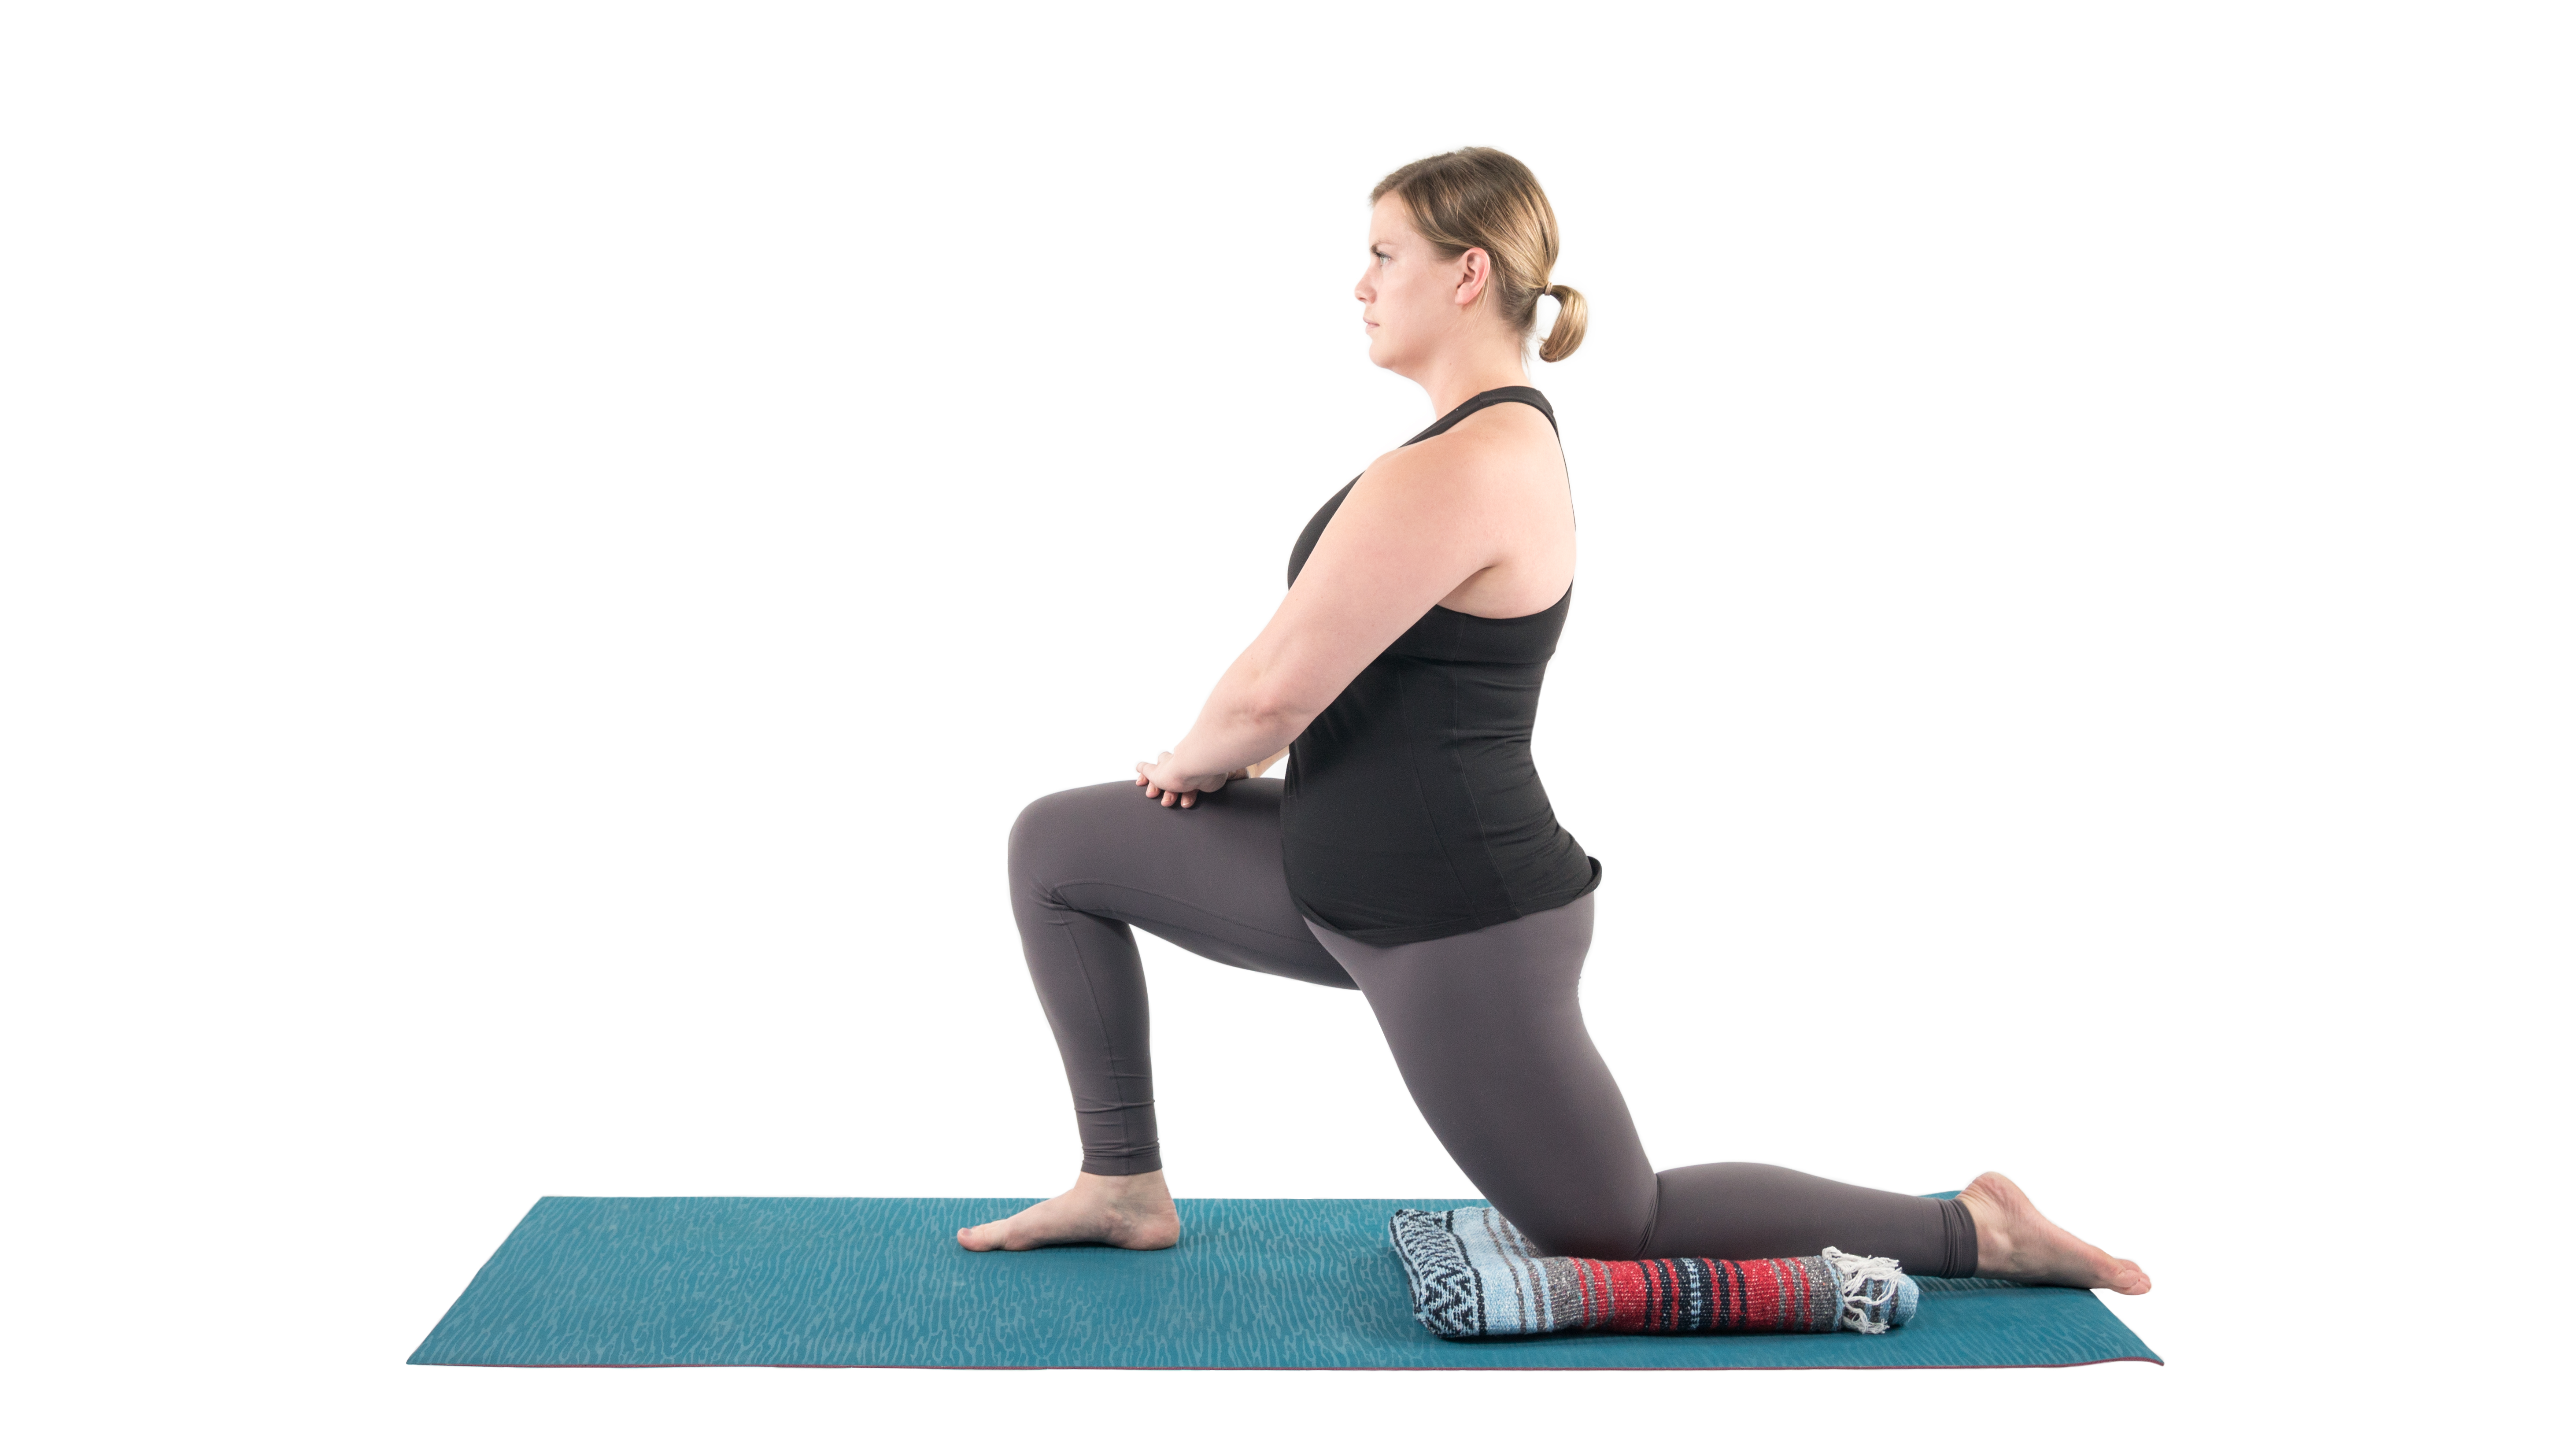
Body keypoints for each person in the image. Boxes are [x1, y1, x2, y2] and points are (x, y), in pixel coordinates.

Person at [957, 147, 2148, 1295]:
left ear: (1467, 273)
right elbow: (1338, 669)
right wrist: (1235, 759)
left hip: (1451, 917)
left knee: (1610, 1223)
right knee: (1060, 848)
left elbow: (1273, 686)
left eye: (1384, 253)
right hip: (1336, 871)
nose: (1359, 282)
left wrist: (1195, 760)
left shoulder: (1471, 460)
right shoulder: (1455, 451)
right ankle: (1121, 1184)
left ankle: (1969, 1225)